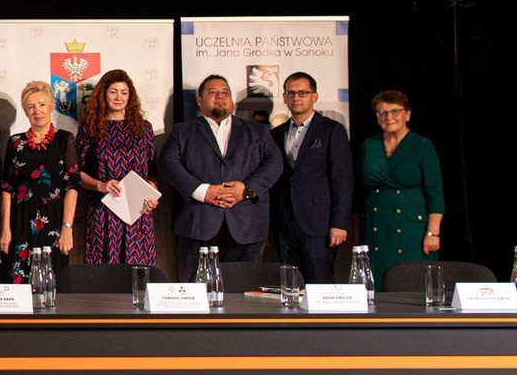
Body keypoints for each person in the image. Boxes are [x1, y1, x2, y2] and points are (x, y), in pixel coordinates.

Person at [159, 74, 283, 280]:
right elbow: (169, 163)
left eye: (225, 93)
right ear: (199, 101)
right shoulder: (182, 132)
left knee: (243, 290)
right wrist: (202, 191)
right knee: (196, 291)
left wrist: (246, 189)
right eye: (213, 92)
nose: (220, 97)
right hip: (198, 224)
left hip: (246, 225)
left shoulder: (257, 131)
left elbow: (275, 163)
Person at [270, 71, 353, 284]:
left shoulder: (331, 130)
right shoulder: (276, 134)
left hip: (319, 224)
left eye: (302, 93)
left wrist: (340, 223)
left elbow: (342, 180)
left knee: (319, 284)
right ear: (284, 97)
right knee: (290, 286)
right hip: (285, 223)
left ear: (314, 97)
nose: (296, 98)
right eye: (290, 93)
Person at [359, 89, 444, 286]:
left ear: (407, 114)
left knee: (409, 282)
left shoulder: (421, 144)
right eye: (382, 112)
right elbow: (359, 190)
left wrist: (433, 233)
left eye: (395, 111)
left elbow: (435, 191)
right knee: (377, 282)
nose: (389, 117)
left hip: (411, 228)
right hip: (378, 224)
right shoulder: (369, 145)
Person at [76, 69, 159, 267]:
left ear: (130, 97)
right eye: (113, 92)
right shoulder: (90, 128)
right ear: (103, 94)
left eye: (124, 92)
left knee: (139, 273)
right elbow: (77, 173)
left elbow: (153, 170)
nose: (118, 97)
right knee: (105, 274)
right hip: (102, 212)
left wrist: (152, 192)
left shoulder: (144, 128)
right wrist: (100, 185)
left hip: (137, 213)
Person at [0, 81, 78, 283]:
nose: (37, 111)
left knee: (52, 281)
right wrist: (5, 230)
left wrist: (67, 227)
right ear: (25, 111)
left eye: (42, 104)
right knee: (16, 281)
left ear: (51, 107)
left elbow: (72, 187)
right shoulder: (16, 142)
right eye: (31, 106)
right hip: (20, 222)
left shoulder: (65, 140)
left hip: (54, 221)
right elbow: (7, 188)